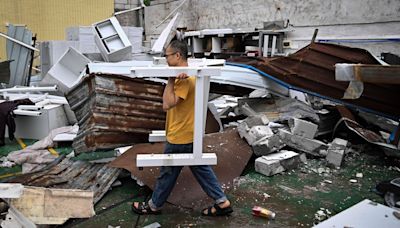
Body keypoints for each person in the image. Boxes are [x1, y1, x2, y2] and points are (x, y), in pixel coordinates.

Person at [132, 40, 233, 216]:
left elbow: (167, 104)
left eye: (167, 56)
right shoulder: (187, 74)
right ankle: (222, 202)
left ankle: (154, 205)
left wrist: (170, 79)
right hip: (188, 132)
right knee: (199, 168)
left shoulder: (183, 79)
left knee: (168, 172)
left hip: (180, 134)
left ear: (177, 56)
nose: (165, 60)